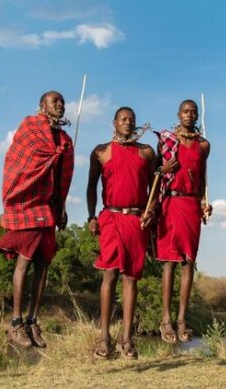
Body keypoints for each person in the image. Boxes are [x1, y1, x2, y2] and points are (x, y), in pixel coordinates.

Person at [0, 91, 74, 349]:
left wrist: (61, 207)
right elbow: (19, 162)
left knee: (43, 264)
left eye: (62, 102)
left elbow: (64, 175)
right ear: (42, 106)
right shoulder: (31, 126)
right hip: (29, 202)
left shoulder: (64, 139)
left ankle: (32, 321)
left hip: (49, 206)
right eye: (55, 101)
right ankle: (15, 323)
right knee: (24, 261)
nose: (60, 105)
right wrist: (54, 152)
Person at [87, 107, 156, 360]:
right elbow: (91, 187)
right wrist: (91, 216)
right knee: (110, 274)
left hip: (136, 219)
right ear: (114, 122)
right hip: (111, 216)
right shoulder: (101, 152)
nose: (128, 123)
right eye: (123, 119)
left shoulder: (147, 152)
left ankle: (127, 340)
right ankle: (104, 338)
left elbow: (154, 189)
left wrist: (151, 211)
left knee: (131, 278)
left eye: (132, 120)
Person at [154, 99, 212, 344]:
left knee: (189, 261)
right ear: (178, 114)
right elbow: (156, 174)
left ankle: (181, 319)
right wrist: (164, 169)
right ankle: (165, 319)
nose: (189, 115)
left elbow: (203, 178)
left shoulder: (204, 145)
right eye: (185, 111)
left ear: (197, 116)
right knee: (169, 262)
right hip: (170, 202)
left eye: (193, 112)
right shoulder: (166, 141)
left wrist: (204, 202)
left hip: (191, 205)